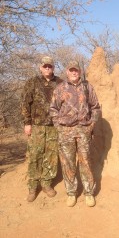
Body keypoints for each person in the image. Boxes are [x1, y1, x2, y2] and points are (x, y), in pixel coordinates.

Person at [49, 60, 101, 207]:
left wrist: (92, 124)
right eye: (71, 70)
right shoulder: (60, 88)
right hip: (66, 132)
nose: (74, 73)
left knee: (86, 162)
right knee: (68, 163)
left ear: (79, 72)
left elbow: (96, 107)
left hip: (84, 131)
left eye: (76, 70)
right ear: (67, 72)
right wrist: (59, 127)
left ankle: (89, 193)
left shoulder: (87, 87)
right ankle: (71, 193)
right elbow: (53, 109)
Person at [21, 56, 63, 202]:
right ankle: (33, 187)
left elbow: (64, 104)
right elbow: (25, 103)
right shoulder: (32, 82)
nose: (47, 68)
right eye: (45, 66)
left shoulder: (60, 83)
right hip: (37, 126)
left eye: (49, 66)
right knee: (35, 156)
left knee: (51, 156)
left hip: (53, 127)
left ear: (53, 68)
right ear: (40, 67)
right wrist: (27, 123)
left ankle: (46, 184)